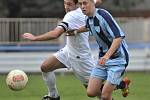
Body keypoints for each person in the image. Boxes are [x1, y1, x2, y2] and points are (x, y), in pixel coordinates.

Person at [23, 0, 130, 100]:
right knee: (45, 67)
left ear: (76, 5)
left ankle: (121, 84)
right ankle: (53, 96)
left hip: (81, 57)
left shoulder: (73, 16)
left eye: (69, 4)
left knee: (98, 93)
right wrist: (75, 31)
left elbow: (56, 34)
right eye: (65, 3)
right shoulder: (87, 13)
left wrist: (35, 38)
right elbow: (96, 4)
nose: (66, 7)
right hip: (68, 51)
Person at [67, 0, 130, 100]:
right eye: (80, 4)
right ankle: (122, 85)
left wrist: (107, 56)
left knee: (105, 96)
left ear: (93, 2)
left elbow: (118, 37)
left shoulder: (103, 15)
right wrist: (75, 31)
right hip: (103, 59)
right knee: (91, 92)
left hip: (118, 59)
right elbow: (87, 27)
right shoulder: (88, 18)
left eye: (85, 3)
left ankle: (117, 86)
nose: (82, 6)